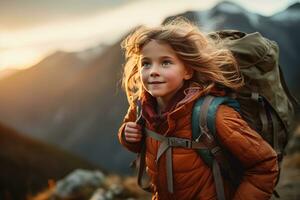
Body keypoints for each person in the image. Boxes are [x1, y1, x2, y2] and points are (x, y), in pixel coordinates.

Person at [117, 18, 278, 200]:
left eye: (166, 62)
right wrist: (127, 135)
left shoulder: (214, 115)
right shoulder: (142, 108)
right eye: (146, 63)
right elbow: (138, 142)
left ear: (188, 71)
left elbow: (264, 164)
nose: (153, 71)